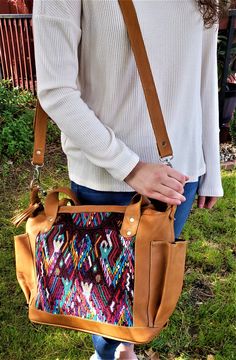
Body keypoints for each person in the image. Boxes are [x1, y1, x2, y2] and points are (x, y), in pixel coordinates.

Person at [32, 1, 224, 359]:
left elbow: (203, 76)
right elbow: (56, 90)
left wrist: (209, 167)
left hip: (179, 177)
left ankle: (127, 350)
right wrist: (131, 168)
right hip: (105, 178)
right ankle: (110, 353)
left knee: (148, 296)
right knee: (106, 303)